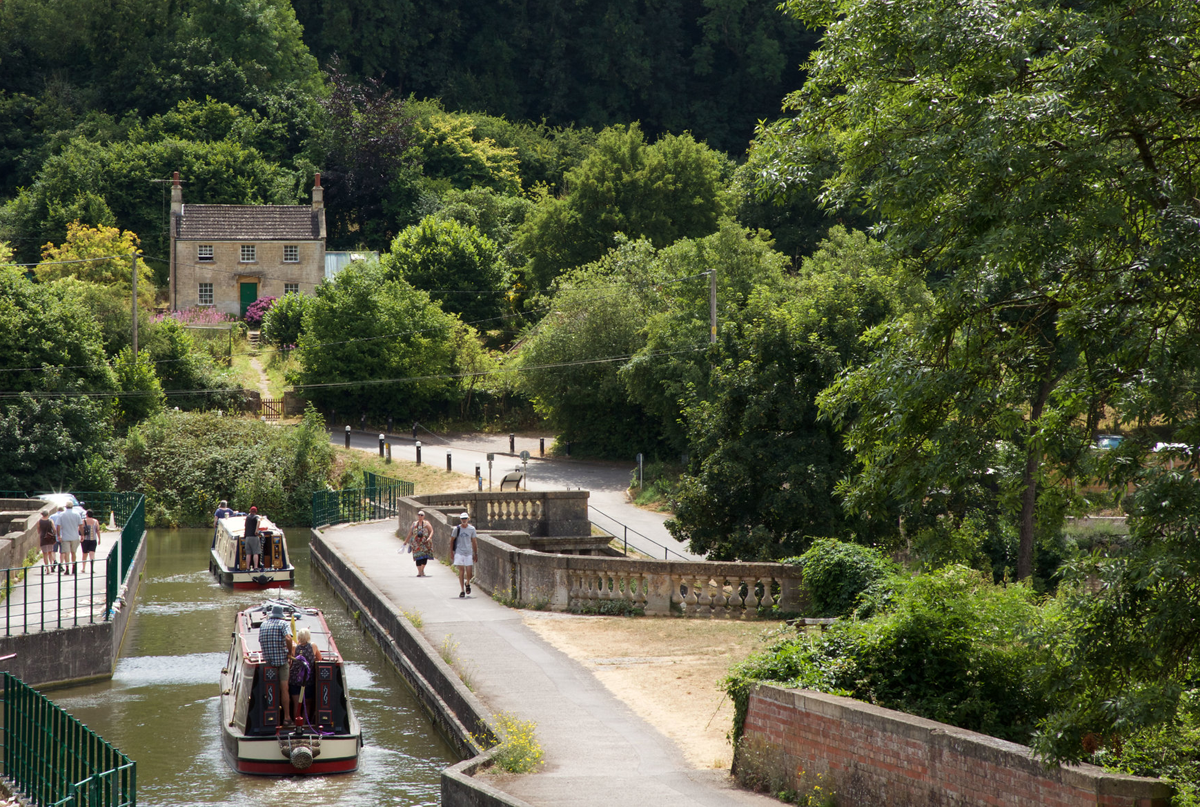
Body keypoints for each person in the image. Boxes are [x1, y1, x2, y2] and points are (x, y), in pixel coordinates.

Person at [258, 603, 293, 725]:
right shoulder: (283, 624)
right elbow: (288, 639)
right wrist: (289, 653)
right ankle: (287, 718)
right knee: (284, 688)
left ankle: (271, 718)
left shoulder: (263, 625)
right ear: (281, 616)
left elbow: (260, 641)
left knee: (270, 688)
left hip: (268, 663)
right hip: (282, 661)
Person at [289, 626, 323, 724]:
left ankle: (296, 723)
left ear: (299, 637)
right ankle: (304, 724)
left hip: (295, 680)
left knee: (296, 703)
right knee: (307, 704)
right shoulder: (313, 646)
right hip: (308, 680)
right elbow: (319, 658)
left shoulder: (295, 648)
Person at [450, 512, 478, 598]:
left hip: (468, 552)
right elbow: (452, 540)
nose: (464, 520)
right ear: (460, 519)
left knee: (469, 571)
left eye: (465, 518)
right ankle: (462, 590)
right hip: (459, 552)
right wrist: (451, 552)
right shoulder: (456, 529)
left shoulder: (471, 529)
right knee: (461, 571)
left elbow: (474, 541)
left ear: (468, 519)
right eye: (462, 519)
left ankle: (467, 583)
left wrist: (475, 553)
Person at [403, 510, 435, 577]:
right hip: (416, 544)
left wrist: (429, 538)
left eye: (421, 515)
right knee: (418, 558)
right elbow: (410, 533)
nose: (420, 516)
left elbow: (431, 531)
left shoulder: (426, 523)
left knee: (424, 558)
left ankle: (422, 570)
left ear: (424, 516)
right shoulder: (414, 524)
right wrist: (405, 542)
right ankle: (419, 572)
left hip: (425, 544)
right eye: (419, 515)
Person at [56, 501, 84, 575]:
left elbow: (58, 526)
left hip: (65, 536)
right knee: (73, 552)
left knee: (66, 553)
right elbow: (80, 525)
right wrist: (82, 535)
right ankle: (74, 567)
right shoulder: (77, 514)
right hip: (74, 536)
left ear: (66, 506)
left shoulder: (62, 515)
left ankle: (67, 568)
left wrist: (58, 535)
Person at [81, 509, 102, 574]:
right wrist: (99, 539)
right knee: (92, 554)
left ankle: (83, 568)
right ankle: (92, 568)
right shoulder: (95, 521)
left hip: (85, 540)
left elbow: (80, 529)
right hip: (93, 539)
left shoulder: (84, 521)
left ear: (87, 514)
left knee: (84, 554)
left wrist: (82, 537)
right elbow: (98, 530)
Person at [244, 506, 263, 570]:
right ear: (256, 511)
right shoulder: (256, 517)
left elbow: (245, 525)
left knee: (248, 553)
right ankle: (255, 567)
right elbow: (259, 521)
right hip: (254, 537)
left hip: (247, 537)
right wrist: (256, 530)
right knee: (255, 552)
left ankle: (247, 567)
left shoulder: (247, 517)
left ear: (250, 511)